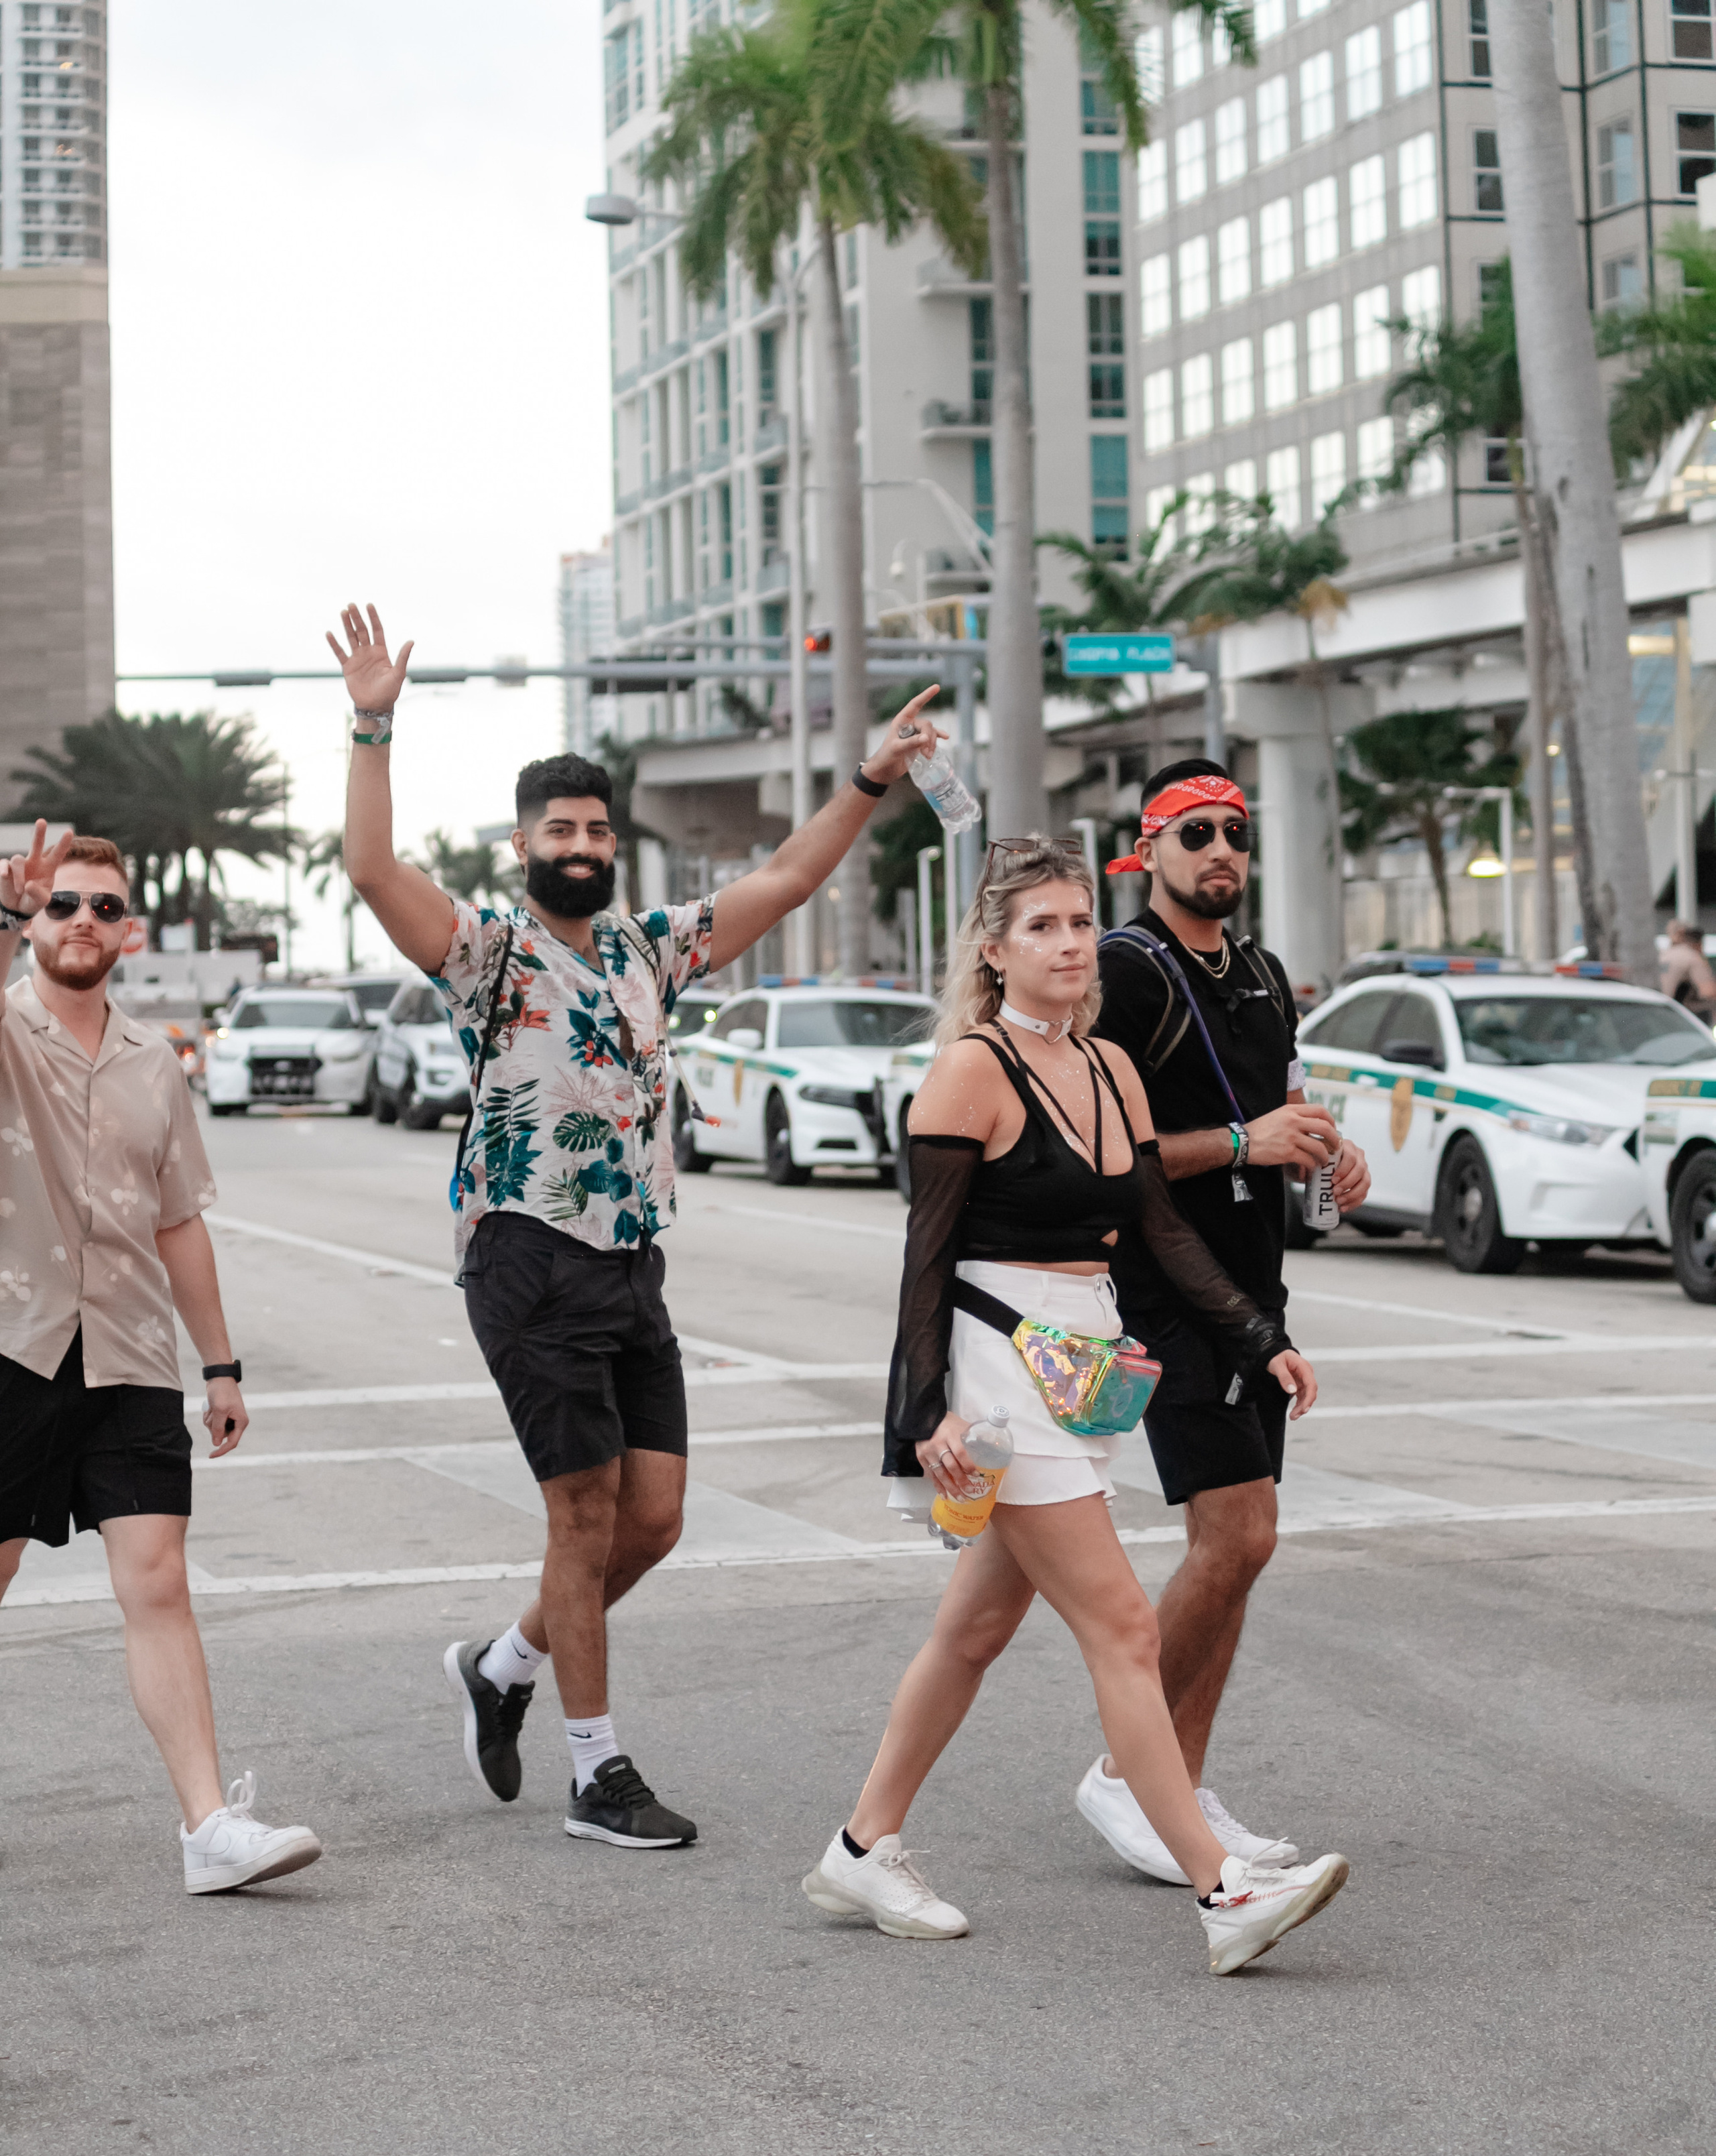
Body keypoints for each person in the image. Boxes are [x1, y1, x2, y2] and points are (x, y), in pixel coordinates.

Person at [326, 601, 944, 1852]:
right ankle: (594, 1770)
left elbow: (787, 875)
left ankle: (502, 1666)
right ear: (522, 845)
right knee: (584, 1518)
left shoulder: (650, 949)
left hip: (630, 1264)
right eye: (560, 827)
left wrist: (871, 778)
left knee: (654, 1521)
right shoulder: (487, 956)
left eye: (598, 827)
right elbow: (374, 872)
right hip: (526, 1257)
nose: (583, 841)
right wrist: (374, 725)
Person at [800, 836, 1349, 1974]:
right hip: (999, 1377)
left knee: (974, 1630)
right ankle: (1221, 1885)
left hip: (1078, 1366)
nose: (1067, 943)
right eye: (1040, 926)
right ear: (995, 951)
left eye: (1077, 921)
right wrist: (922, 1413)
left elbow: (1157, 1225)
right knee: (1126, 1627)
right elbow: (925, 1258)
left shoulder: (1106, 1068)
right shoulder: (971, 1069)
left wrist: (1261, 1337)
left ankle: (861, 1845)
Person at [0, 826, 322, 1896]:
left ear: (128, 932)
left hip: (131, 1352)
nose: (80, 922)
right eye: (60, 907)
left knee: (158, 1581)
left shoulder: (154, 1063)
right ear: (33, 921)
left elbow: (179, 1220)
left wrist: (221, 1365)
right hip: (13, 1344)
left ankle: (207, 1827)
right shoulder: (5, 1029)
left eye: (101, 908)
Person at [1068, 760, 1371, 1886]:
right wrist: (1249, 1143)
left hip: (1255, 1290)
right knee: (1237, 1537)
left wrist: (1328, 1151)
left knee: (1234, 1556)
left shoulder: (1261, 970)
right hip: (1162, 1292)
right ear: (1146, 853)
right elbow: (1116, 1156)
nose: (1221, 852)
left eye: (1236, 831)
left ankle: (1175, 1785)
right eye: (1194, 834)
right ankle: (1124, 1776)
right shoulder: (1123, 971)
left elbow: (1277, 1108)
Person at [1660, 918, 1716, 1024]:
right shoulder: (1691, 957)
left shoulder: (1662, 955)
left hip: (1656, 1014)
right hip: (1679, 1018)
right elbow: (1709, 992)